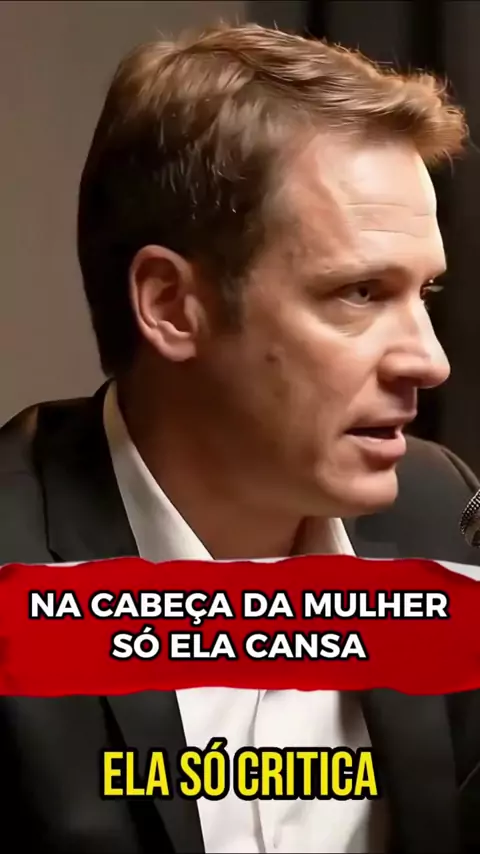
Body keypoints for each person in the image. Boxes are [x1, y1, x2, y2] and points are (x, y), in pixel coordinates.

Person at [0, 21, 479, 854]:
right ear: (171, 306)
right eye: (361, 292)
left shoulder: (444, 516)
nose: (430, 361)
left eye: (424, 293)